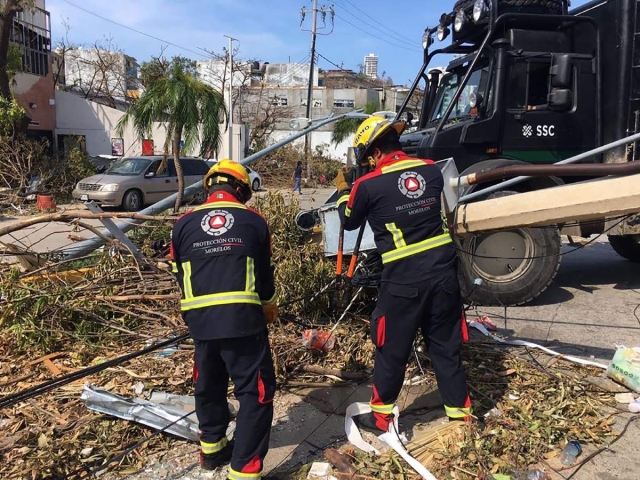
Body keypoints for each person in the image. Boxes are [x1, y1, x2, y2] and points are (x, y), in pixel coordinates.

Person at [334, 116, 472, 434]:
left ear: (372, 153)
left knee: (392, 347)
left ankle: (381, 418)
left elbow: (350, 220)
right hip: (443, 275)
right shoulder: (430, 170)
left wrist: (345, 190)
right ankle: (461, 416)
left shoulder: (367, 185)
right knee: (444, 346)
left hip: (403, 282)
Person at [170, 159, 278, 478]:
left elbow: (180, 274)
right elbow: (264, 276)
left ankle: (212, 450)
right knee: (256, 392)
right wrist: (269, 306)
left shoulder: (183, 223)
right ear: (241, 189)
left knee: (209, 383)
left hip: (200, 321)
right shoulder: (253, 221)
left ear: (210, 187)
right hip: (242, 319)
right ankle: (244, 471)